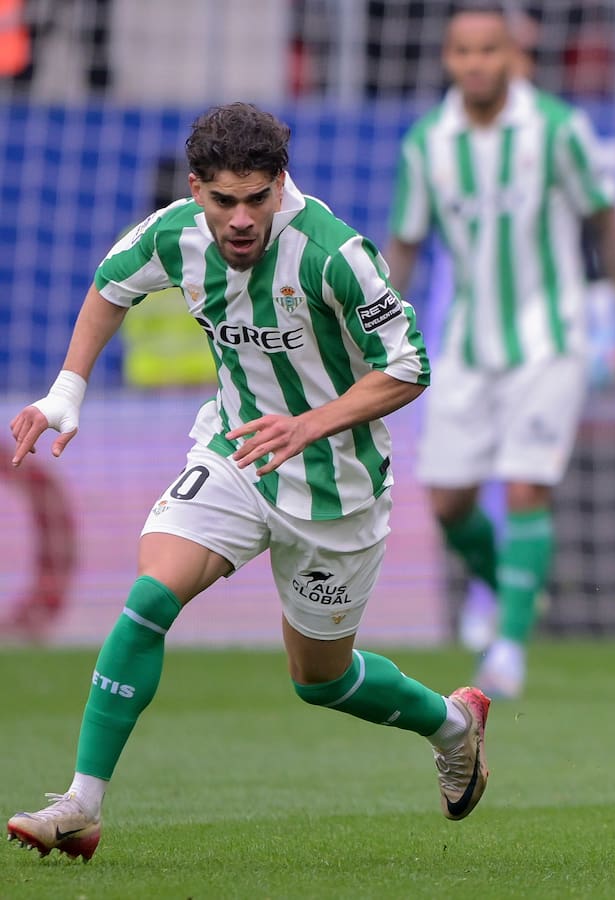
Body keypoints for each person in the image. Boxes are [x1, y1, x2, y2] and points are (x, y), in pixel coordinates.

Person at [6, 102, 490, 862]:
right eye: (224, 200)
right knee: (149, 599)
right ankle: (80, 805)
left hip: (335, 488)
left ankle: (453, 725)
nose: (240, 219)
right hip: (235, 454)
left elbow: (409, 366)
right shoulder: (174, 233)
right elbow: (110, 285)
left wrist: (310, 423)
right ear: (196, 188)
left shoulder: (334, 253)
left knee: (320, 681)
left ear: (280, 183)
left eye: (257, 199)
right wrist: (67, 390)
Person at [384, 3, 615, 699]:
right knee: (448, 501)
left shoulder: (557, 129)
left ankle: (506, 648)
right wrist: (376, 332)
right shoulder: (427, 143)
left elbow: (608, 225)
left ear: (511, 56)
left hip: (549, 338)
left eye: (489, 49)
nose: (476, 63)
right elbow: (406, 244)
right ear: (448, 59)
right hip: (467, 345)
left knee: (526, 484)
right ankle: (514, 590)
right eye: (463, 51)